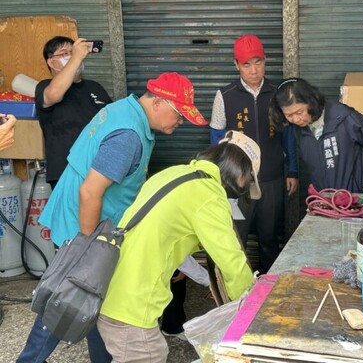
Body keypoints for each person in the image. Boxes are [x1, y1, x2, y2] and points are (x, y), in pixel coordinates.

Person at [17, 72, 207, 363]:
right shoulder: (128, 136)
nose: (180, 122)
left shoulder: (124, 110)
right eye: (178, 114)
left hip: (90, 224)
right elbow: (90, 193)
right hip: (84, 227)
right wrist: (88, 249)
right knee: (68, 301)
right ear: (158, 102)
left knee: (94, 300)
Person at [97, 130, 257, 362]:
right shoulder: (209, 194)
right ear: (241, 172)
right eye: (248, 182)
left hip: (110, 288)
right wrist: (250, 308)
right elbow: (233, 263)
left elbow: (167, 234)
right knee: (150, 355)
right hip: (131, 307)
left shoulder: (174, 174)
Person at [209, 34, 298, 274]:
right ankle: (237, 292)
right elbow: (216, 138)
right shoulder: (225, 96)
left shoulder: (278, 94)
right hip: (237, 183)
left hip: (271, 178)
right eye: (246, 64)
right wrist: (220, 177)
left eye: (258, 62)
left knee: (270, 238)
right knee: (236, 238)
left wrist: (292, 170)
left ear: (265, 61)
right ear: (236, 64)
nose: (253, 70)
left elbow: (288, 135)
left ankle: (268, 290)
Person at [269, 77, 363, 193]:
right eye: (289, 115)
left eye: (299, 112)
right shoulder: (298, 129)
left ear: (311, 102)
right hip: (326, 200)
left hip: (355, 199)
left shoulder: (344, 118)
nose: (295, 119)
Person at [36, 36, 112, 189]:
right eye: (65, 53)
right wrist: (75, 57)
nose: (71, 56)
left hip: (99, 171)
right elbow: (55, 94)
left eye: (73, 52)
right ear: (51, 62)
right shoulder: (45, 86)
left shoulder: (95, 87)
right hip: (66, 172)